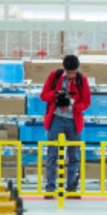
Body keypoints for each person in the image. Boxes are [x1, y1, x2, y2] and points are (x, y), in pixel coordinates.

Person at [40, 54, 91, 197]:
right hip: (55, 119)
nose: (71, 75)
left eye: (74, 72)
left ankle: (72, 187)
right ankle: (50, 187)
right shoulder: (54, 76)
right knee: (52, 155)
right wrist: (56, 95)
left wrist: (72, 105)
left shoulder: (82, 80)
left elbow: (86, 102)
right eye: (69, 72)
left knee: (73, 155)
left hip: (73, 121)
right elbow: (43, 95)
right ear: (64, 69)